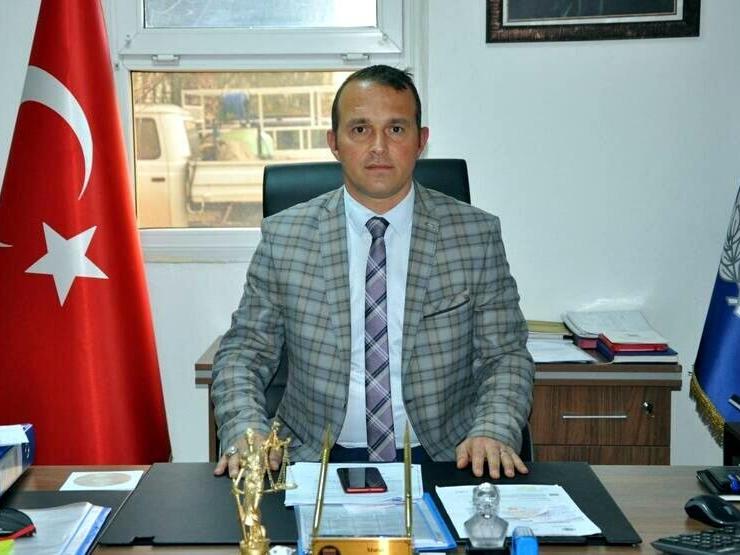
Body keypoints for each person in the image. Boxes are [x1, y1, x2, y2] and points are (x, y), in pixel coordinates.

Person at [212, 65, 534, 481]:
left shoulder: (474, 235)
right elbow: (243, 353)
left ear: (421, 141)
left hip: (443, 456)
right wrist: (246, 429)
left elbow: (504, 356)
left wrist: (492, 429)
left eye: (396, 129)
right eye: (360, 130)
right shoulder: (285, 237)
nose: (379, 147)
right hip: (313, 459)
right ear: (334, 143)